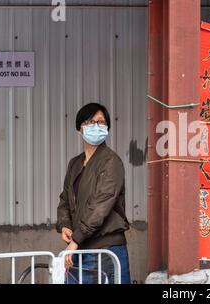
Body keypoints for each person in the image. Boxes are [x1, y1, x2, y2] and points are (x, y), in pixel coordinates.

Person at [56, 103, 131, 284]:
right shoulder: (75, 163)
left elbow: (100, 206)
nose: (96, 126)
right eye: (90, 122)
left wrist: (75, 240)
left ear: (107, 128)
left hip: (105, 249)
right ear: (79, 130)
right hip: (79, 248)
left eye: (101, 122)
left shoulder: (111, 162)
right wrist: (65, 224)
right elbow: (65, 199)